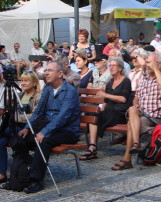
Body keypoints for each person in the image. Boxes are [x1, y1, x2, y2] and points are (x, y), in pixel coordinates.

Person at [18, 61, 80, 193]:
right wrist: (28, 128)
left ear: (60, 74)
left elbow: (62, 117)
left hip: (67, 130)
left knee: (43, 140)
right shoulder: (47, 89)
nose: (46, 73)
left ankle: (36, 180)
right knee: (19, 138)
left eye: (50, 70)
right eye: (46, 70)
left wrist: (44, 131)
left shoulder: (70, 91)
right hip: (49, 126)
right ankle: (20, 178)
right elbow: (38, 111)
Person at [111, 52, 161, 170]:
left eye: (149, 62)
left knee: (131, 125)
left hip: (155, 116)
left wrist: (156, 69)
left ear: (157, 64)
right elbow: (137, 96)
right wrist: (136, 104)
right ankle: (136, 144)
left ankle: (127, 159)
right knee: (132, 109)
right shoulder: (145, 78)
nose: (146, 65)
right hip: (142, 112)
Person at [80, 57, 132, 160]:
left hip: (120, 112)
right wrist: (103, 106)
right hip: (109, 110)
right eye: (110, 65)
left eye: (113, 66)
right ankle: (92, 146)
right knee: (93, 114)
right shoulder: (110, 81)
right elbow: (105, 101)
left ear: (120, 68)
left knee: (98, 117)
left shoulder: (126, 81)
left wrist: (105, 95)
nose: (111, 68)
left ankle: (92, 147)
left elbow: (123, 99)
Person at [0, 71, 41, 184]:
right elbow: (9, 113)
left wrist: (17, 117)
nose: (23, 83)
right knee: (1, 141)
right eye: (22, 80)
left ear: (34, 82)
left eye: (26, 80)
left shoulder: (39, 96)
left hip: (29, 129)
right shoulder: (19, 95)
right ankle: (2, 174)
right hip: (14, 128)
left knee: (3, 132)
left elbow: (35, 116)